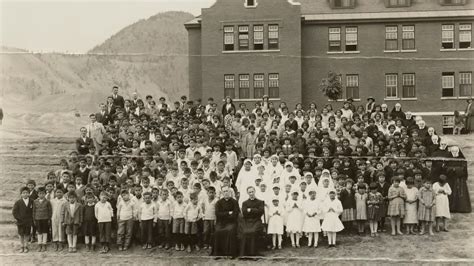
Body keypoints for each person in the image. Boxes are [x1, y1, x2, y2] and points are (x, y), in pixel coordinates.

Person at [212, 186, 239, 257]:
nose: (226, 193)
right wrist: (228, 213)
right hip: (221, 222)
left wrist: (224, 214)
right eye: (224, 191)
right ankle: (218, 253)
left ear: (230, 192)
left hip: (231, 222)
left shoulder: (234, 202)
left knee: (230, 230)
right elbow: (218, 214)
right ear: (222, 193)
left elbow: (235, 214)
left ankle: (230, 253)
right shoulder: (219, 202)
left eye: (227, 191)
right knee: (217, 231)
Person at [239, 186, 264, 256]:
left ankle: (253, 252)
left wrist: (250, 210)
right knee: (244, 232)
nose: (251, 193)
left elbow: (261, 212)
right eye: (249, 192)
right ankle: (244, 253)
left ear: (255, 191)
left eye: (252, 192)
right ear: (247, 193)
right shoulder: (245, 203)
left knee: (253, 231)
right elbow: (244, 213)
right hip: (247, 221)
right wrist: (255, 210)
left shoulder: (260, 202)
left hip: (257, 221)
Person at [12, 187, 34, 253]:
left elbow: (34, 211)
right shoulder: (18, 202)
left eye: (26, 193)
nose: (25, 194)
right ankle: (22, 246)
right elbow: (14, 212)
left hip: (28, 221)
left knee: (27, 233)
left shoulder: (32, 201)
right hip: (20, 221)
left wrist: (31, 219)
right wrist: (19, 218)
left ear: (29, 194)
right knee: (21, 234)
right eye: (23, 193)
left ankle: (26, 246)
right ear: (21, 194)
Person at [32, 187, 52, 252]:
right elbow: (34, 211)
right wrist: (34, 219)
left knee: (45, 231)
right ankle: (39, 244)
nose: (41, 195)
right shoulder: (35, 201)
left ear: (45, 194)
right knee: (39, 231)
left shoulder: (47, 201)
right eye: (40, 193)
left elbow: (49, 210)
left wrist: (49, 218)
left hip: (45, 218)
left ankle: (44, 244)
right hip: (38, 218)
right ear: (38, 194)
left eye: (43, 193)